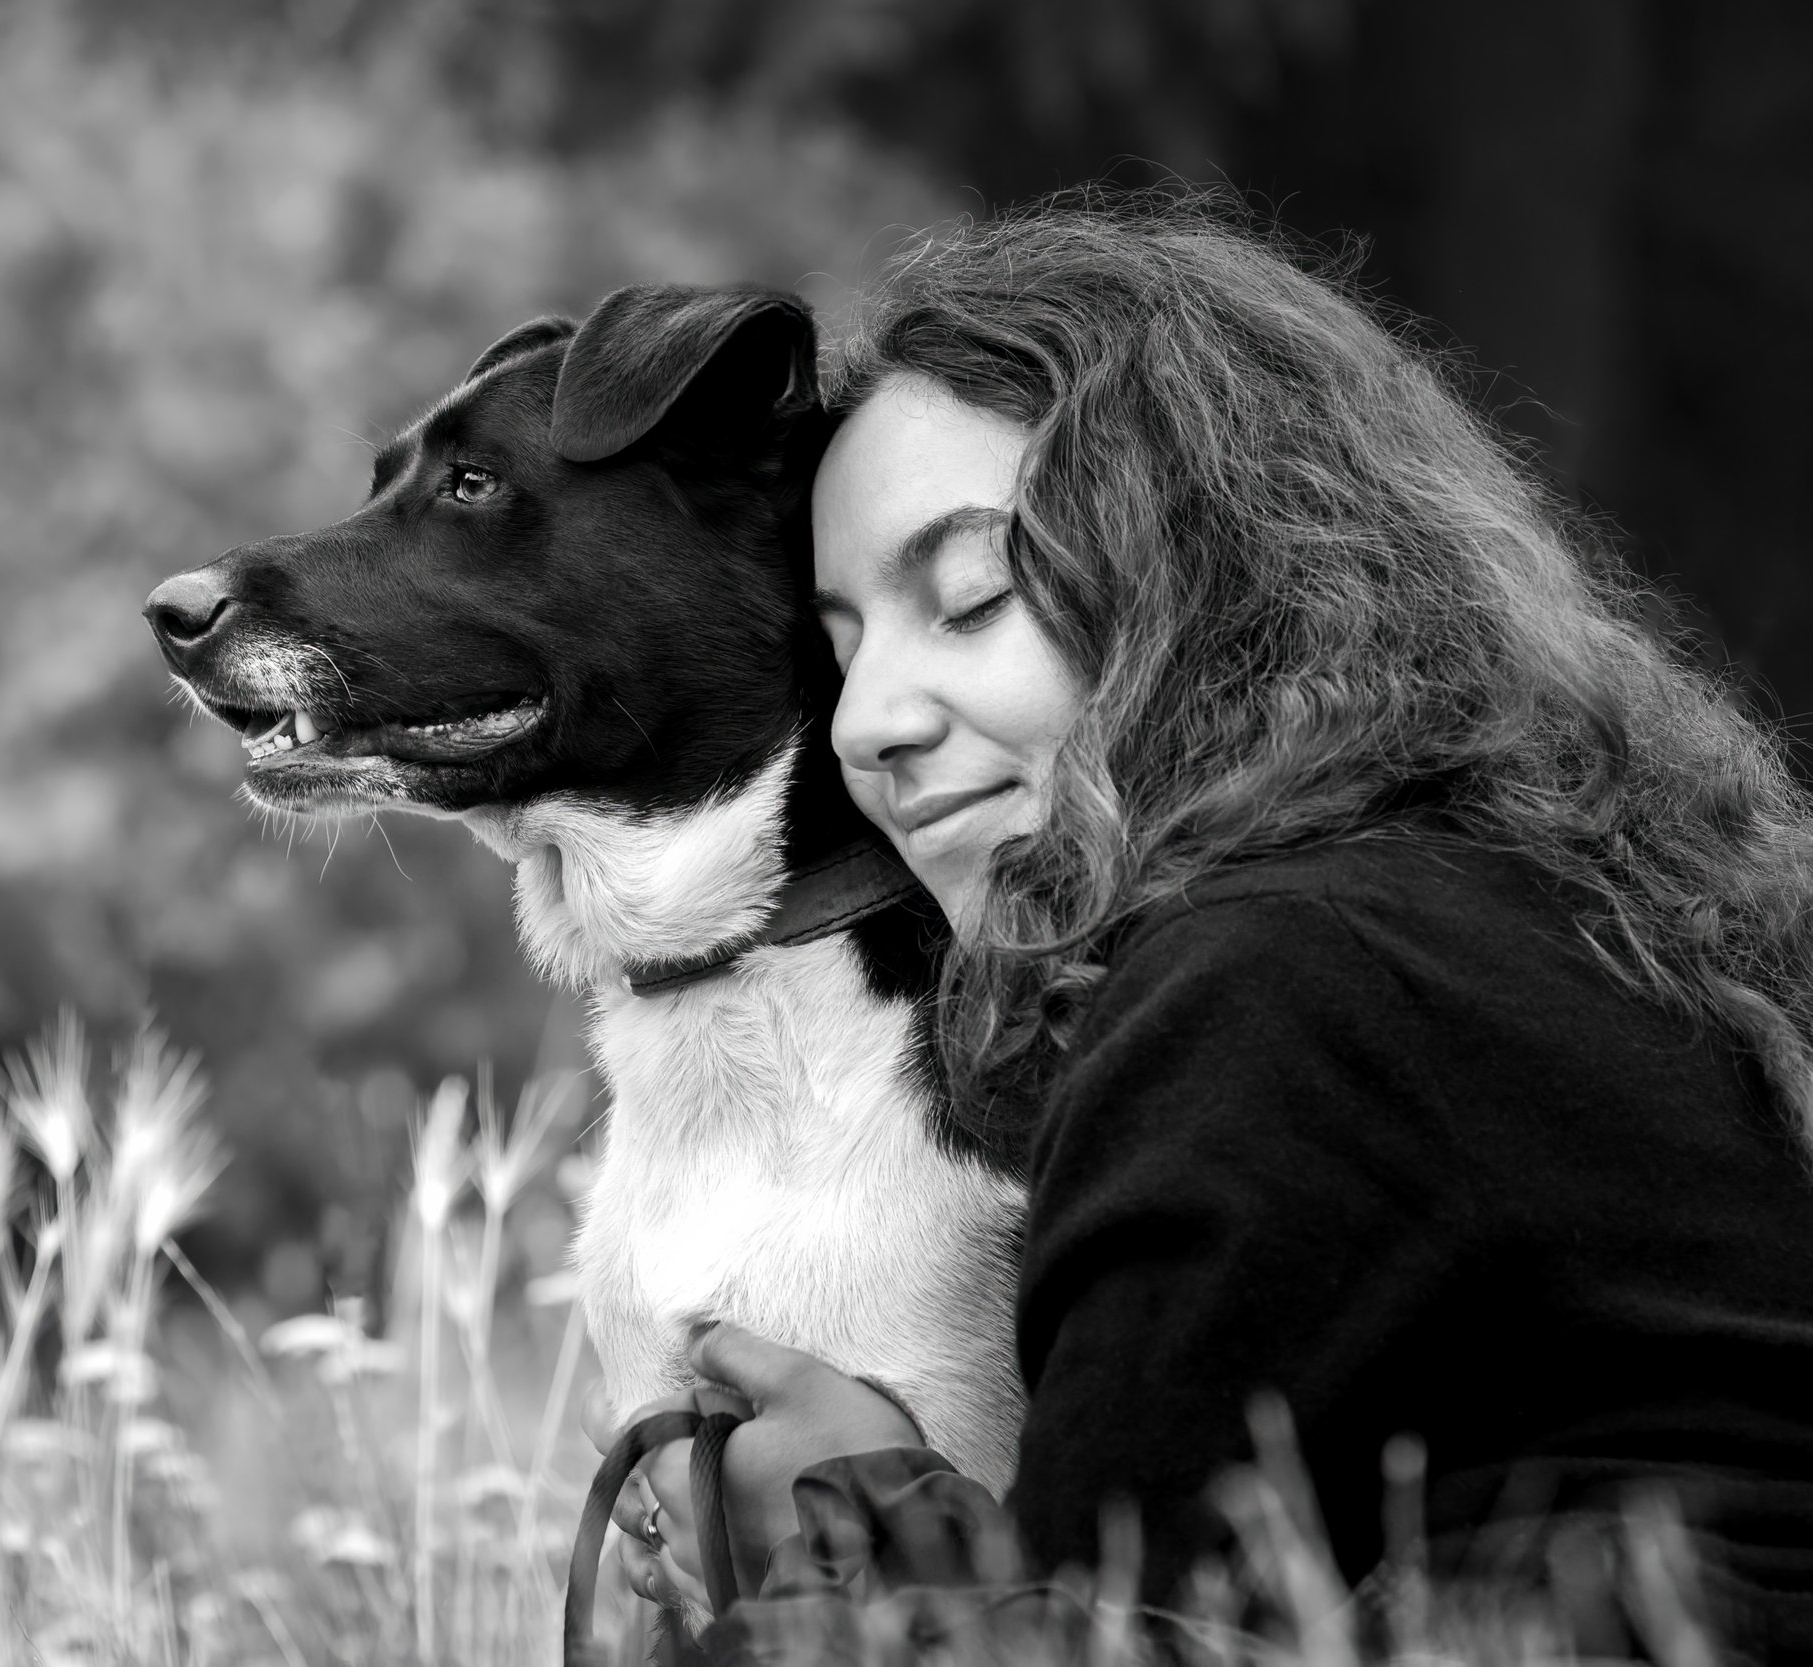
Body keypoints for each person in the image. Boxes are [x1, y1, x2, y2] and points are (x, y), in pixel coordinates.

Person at [596, 199, 1813, 1661]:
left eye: (970, 597)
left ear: (1214, 576)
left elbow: (1113, 1646)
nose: (870, 727)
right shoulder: (1560, 917)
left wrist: (854, 1523)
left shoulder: (1276, 977)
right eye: (842, 648)